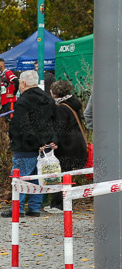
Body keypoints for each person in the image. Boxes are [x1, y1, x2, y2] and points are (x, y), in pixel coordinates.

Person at [1, 70, 57, 218]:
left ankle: (17, 208)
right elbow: (55, 121)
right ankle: (34, 208)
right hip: (45, 146)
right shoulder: (48, 98)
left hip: (26, 145)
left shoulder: (23, 101)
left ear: (23, 83)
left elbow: (23, 125)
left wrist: (34, 141)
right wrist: (50, 140)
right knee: (37, 178)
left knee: (19, 177)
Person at [46, 80, 88, 212]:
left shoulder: (62, 108)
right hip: (77, 145)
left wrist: (54, 142)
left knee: (62, 174)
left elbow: (60, 128)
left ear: (54, 94)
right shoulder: (74, 103)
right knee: (66, 174)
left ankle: (59, 205)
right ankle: (58, 203)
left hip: (67, 147)